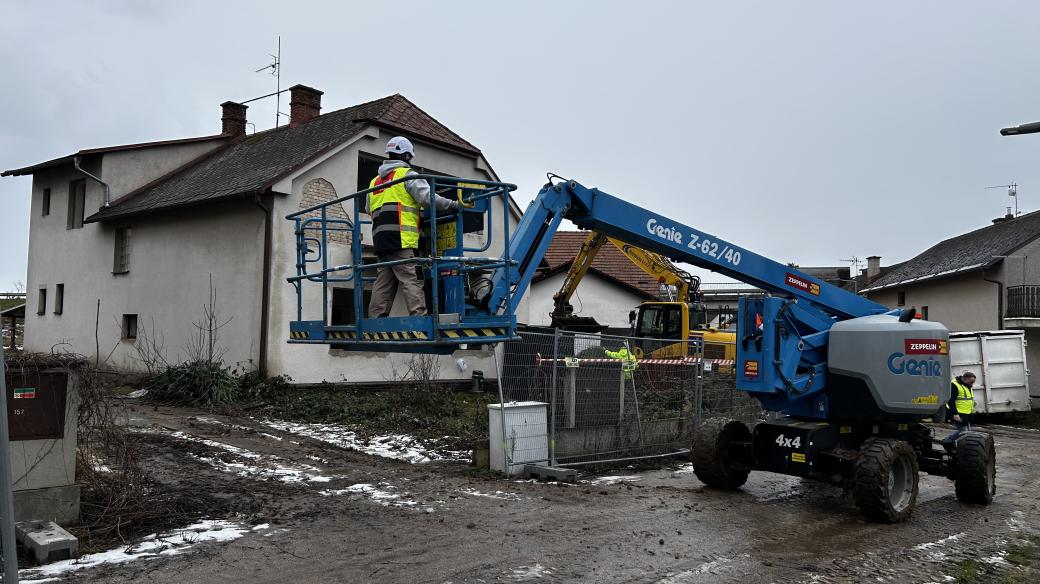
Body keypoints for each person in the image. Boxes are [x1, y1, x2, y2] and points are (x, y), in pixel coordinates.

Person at [367, 137, 460, 318]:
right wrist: (453, 205)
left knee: (383, 282)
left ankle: (375, 322)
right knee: (412, 279)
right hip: (401, 239)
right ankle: (419, 318)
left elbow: (367, 209)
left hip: (380, 241)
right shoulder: (407, 175)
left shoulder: (374, 182)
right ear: (407, 155)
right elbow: (428, 199)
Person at [944, 370, 976, 444]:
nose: (972, 384)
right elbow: (951, 401)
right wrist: (955, 414)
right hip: (959, 413)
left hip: (966, 413)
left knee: (968, 432)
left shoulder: (967, 385)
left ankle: (955, 444)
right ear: (965, 379)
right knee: (964, 432)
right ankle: (948, 440)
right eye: (971, 382)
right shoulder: (955, 385)